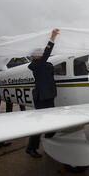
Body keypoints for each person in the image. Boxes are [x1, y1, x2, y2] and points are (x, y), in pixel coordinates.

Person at [26, 29, 60, 158]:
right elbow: (47, 53)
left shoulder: (45, 63)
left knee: (51, 124)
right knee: (39, 124)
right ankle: (31, 148)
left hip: (49, 95)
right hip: (41, 98)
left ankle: (49, 143)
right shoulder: (37, 64)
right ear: (35, 56)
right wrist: (53, 37)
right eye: (39, 53)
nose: (41, 54)